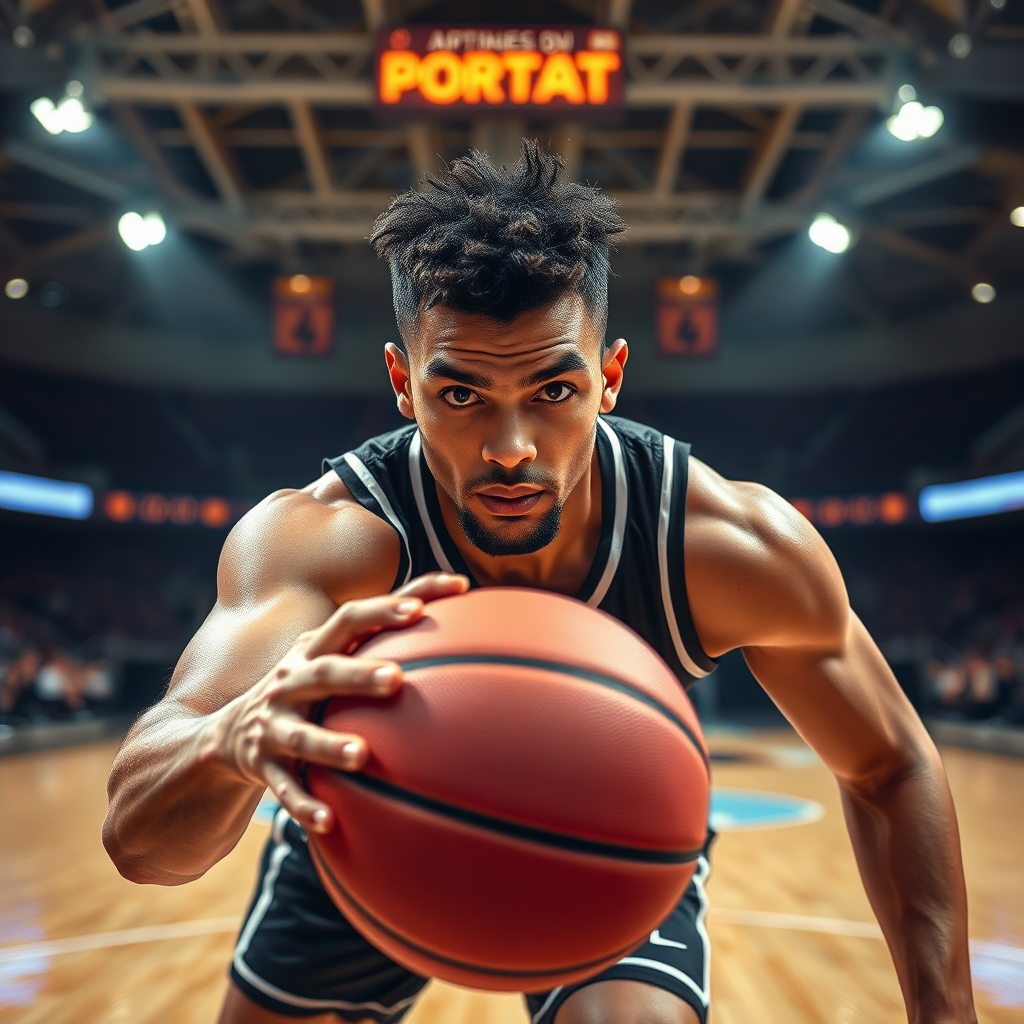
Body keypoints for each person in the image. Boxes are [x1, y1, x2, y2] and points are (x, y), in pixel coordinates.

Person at [103, 142, 977, 1024]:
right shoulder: (327, 542)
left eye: (554, 390)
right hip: (359, 826)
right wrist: (231, 738)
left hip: (609, 827)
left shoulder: (720, 545)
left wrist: (945, 1013)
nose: (510, 448)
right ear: (404, 383)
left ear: (610, 377)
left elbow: (890, 765)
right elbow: (140, 845)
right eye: (462, 396)